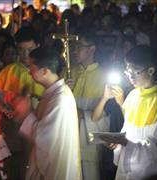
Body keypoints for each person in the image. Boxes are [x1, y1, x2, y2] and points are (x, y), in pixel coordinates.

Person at [99, 45, 157, 180]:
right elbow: (128, 131)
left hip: (148, 174)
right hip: (126, 170)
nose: (130, 77)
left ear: (151, 70)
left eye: (135, 72)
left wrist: (125, 143)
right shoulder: (133, 95)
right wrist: (117, 142)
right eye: (128, 72)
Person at [14, 47, 82, 180]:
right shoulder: (53, 93)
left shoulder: (60, 98)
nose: (29, 73)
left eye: (32, 68)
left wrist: (25, 114)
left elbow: (46, 138)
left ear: (45, 71)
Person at [0, 26, 44, 180]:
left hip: (38, 133)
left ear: (38, 47)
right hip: (13, 134)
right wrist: (3, 109)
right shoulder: (9, 72)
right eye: (21, 50)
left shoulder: (46, 71)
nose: (26, 54)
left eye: (30, 49)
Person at [65, 30, 109, 180]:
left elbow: (105, 116)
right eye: (73, 47)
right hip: (67, 136)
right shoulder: (67, 72)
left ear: (92, 49)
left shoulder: (103, 76)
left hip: (88, 140)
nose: (75, 51)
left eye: (79, 47)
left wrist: (82, 115)